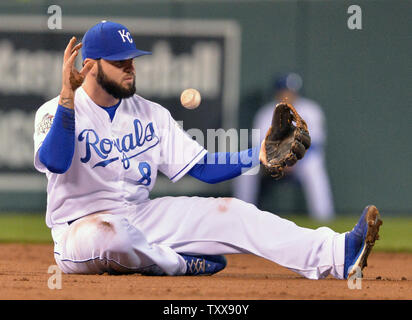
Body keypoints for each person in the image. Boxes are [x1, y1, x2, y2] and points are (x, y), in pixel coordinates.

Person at [33, 21, 381, 280]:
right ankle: (182, 263)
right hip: (80, 228)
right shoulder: (55, 110)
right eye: (119, 61)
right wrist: (67, 98)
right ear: (89, 65)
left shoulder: (151, 113)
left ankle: (338, 253)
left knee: (232, 211)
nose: (130, 67)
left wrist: (255, 156)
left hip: (141, 215)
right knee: (115, 237)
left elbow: (200, 166)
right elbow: (55, 161)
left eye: (132, 59)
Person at [233, 73, 335, 221]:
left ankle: (324, 217)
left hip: (302, 161)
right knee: (247, 168)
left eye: (290, 91)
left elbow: (313, 144)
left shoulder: (311, 110)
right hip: (271, 160)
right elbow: (260, 145)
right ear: (276, 92)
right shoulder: (266, 113)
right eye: (283, 90)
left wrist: (292, 160)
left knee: (314, 168)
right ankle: (240, 216)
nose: (287, 94)